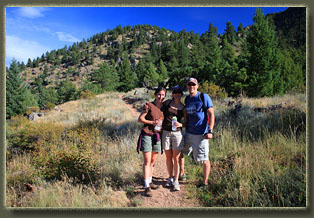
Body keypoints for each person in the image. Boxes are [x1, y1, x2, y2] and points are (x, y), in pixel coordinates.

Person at [183, 78, 215, 187]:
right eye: (189, 84)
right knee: (180, 152)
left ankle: (205, 182)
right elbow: (186, 115)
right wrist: (184, 125)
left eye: (193, 84)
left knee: (204, 159)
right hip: (189, 132)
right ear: (187, 86)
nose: (191, 86)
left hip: (201, 134)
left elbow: (211, 114)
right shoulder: (187, 99)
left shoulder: (203, 97)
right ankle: (181, 174)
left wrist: (210, 130)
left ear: (197, 86)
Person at [137, 87, 166, 197]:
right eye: (159, 94)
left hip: (157, 135)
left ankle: (149, 181)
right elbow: (140, 119)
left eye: (163, 95)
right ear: (155, 94)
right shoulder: (149, 105)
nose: (160, 97)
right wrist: (152, 122)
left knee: (153, 161)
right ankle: (146, 187)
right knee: (147, 161)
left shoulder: (164, 107)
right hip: (147, 134)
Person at [161, 85, 185, 191]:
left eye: (179, 92)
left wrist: (181, 125)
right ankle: (170, 178)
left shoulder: (183, 107)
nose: (177, 94)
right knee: (168, 157)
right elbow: (158, 110)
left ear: (181, 94)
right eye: (175, 92)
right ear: (172, 94)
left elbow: (186, 122)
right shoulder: (167, 103)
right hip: (166, 132)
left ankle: (176, 180)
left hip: (177, 134)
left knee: (176, 158)